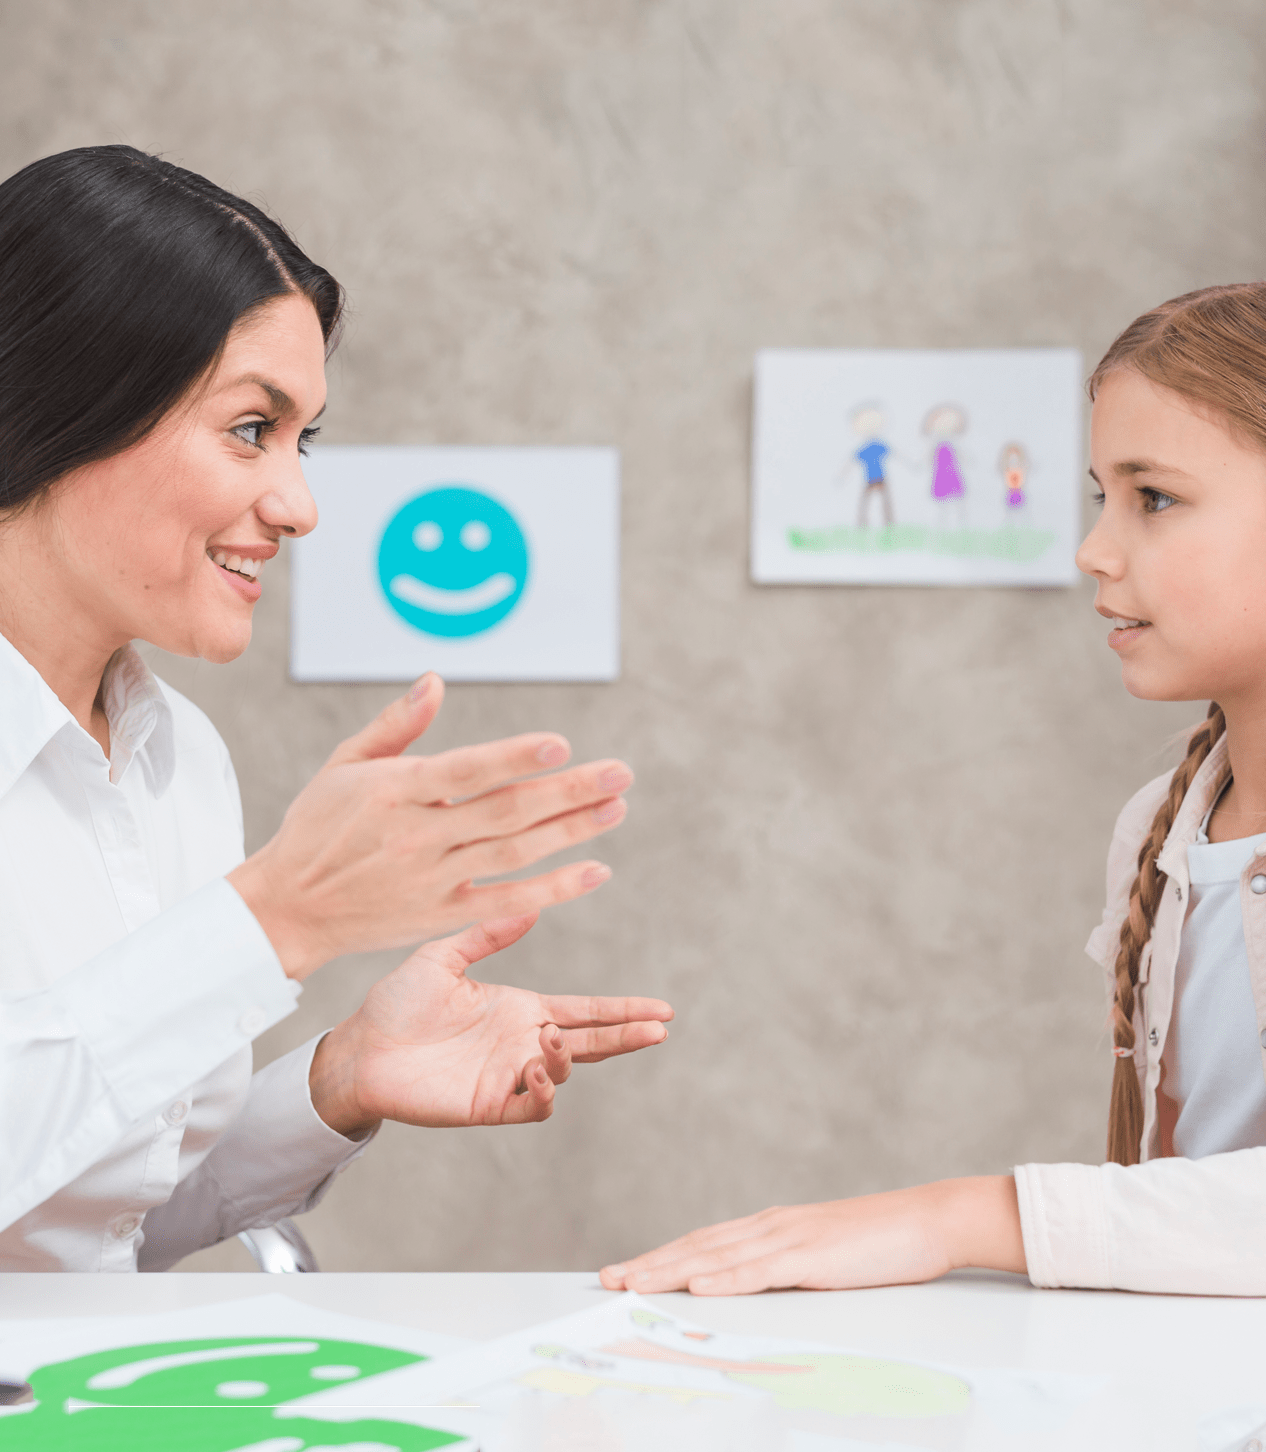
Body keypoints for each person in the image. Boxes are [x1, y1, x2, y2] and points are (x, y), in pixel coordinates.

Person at [0, 145, 672, 1272]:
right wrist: (274, 921)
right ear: (59, 402)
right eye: (249, 429)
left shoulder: (178, 759)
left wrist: (340, 1080)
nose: (300, 505)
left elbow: (84, 1230)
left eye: (301, 439)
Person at [602, 283, 1266, 1299]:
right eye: (1102, 497)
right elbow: (1184, 1201)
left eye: (1156, 498)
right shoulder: (1160, 826)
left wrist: (959, 1217)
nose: (1093, 550)